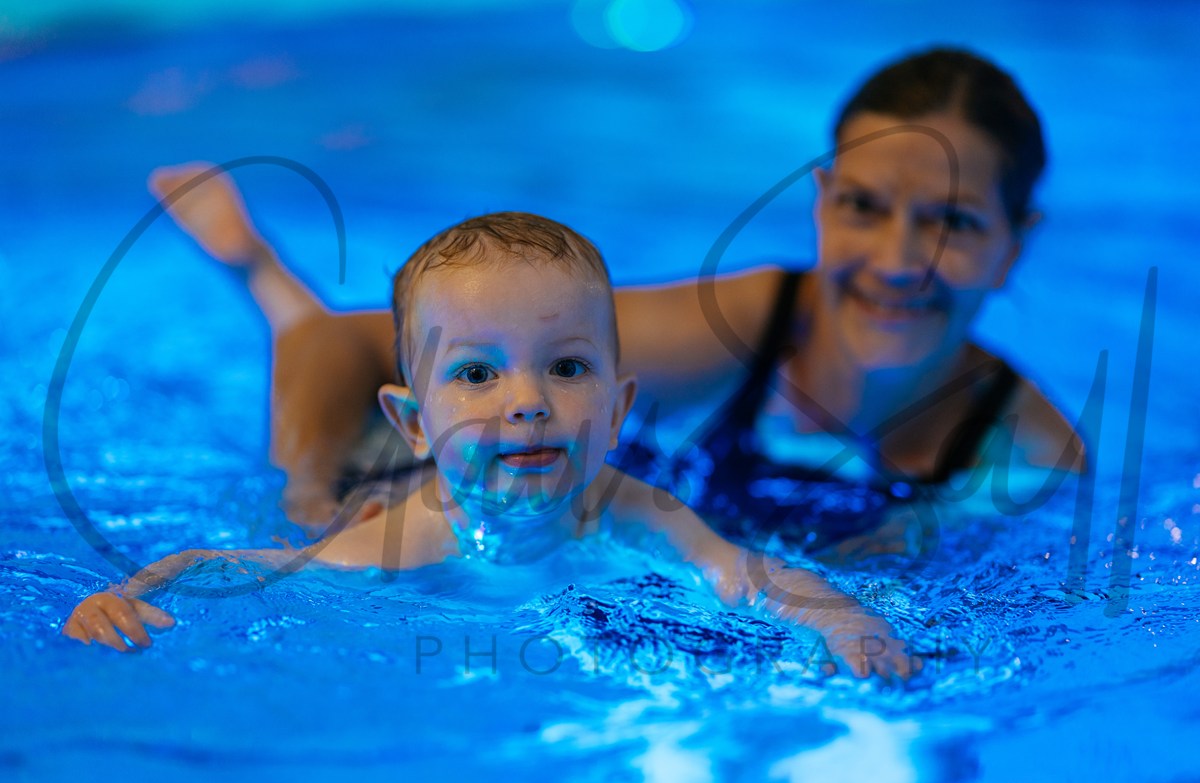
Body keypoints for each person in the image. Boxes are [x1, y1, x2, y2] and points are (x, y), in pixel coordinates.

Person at [147, 46, 1084, 551]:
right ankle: (263, 276)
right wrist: (308, 500)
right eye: (865, 209)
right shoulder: (748, 325)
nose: (898, 262)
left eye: (953, 223)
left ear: (1017, 244)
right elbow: (348, 349)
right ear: (822, 203)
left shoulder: (1029, 455)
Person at [61, 212, 916, 679]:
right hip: (369, 481)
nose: (528, 402)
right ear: (417, 423)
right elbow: (234, 563)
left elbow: (745, 573)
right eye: (478, 374)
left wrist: (845, 620)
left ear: (619, 408)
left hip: (448, 455)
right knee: (302, 484)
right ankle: (257, 266)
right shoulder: (396, 545)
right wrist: (129, 593)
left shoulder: (631, 507)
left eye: (568, 368)